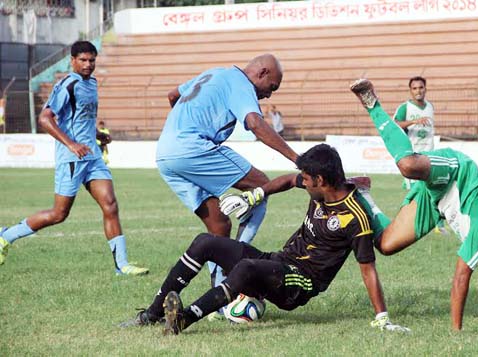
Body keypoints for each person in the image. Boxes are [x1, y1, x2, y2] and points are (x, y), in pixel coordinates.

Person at [121, 144, 409, 334]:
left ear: (321, 180)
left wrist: (382, 317)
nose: (302, 182)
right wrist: (256, 194)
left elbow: (368, 269)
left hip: (300, 282)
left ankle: (183, 320)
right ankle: (153, 313)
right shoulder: (322, 186)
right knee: (204, 242)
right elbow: (286, 180)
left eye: (306, 179)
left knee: (245, 268)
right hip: (279, 262)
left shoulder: (353, 217)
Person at [350, 78, 478, 330]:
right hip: (454, 173)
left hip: (438, 203)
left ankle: (362, 192)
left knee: (385, 244)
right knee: (408, 165)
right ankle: (371, 103)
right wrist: (456, 333)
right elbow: (461, 278)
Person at [0, 41, 148, 276]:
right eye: (83, 60)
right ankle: (5, 236)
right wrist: (71, 144)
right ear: (72, 60)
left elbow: (81, 118)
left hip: (92, 156)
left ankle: (122, 265)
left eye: (92, 60)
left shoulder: (92, 82)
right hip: (72, 158)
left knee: (110, 204)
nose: (88, 65)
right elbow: (45, 119)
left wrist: (96, 135)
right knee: (59, 214)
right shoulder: (67, 84)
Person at [156, 54, 298, 291]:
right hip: (192, 147)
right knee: (262, 186)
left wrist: (181, 125)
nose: (269, 95)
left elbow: (173, 95)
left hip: (165, 152)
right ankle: (235, 261)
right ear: (262, 73)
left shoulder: (214, 73)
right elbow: (255, 123)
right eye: (272, 87)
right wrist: (297, 158)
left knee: (220, 226)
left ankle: (218, 295)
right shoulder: (241, 83)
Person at [394, 76, 448, 234]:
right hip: (412, 156)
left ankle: (438, 223)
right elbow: (394, 124)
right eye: (415, 88)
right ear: (410, 91)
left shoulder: (430, 106)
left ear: (425, 89)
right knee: (414, 194)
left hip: (429, 156)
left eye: (421, 87)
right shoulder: (405, 107)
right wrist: (413, 122)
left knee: (436, 188)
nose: (418, 91)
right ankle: (409, 225)